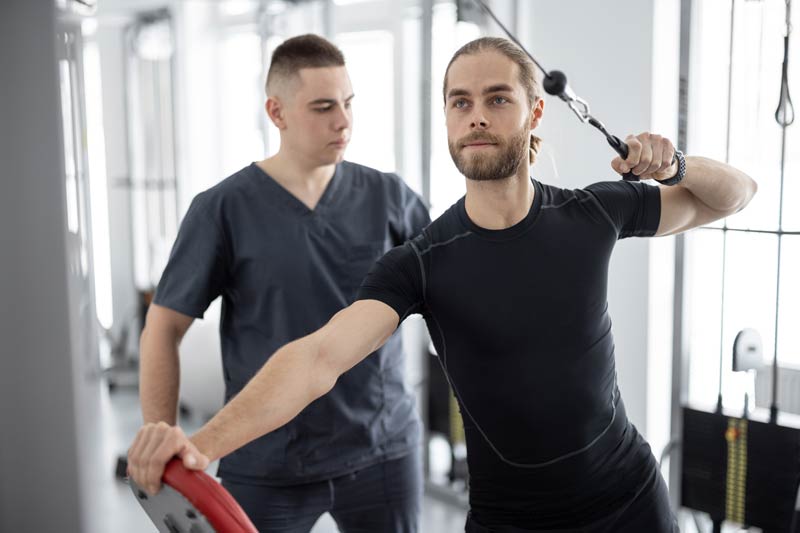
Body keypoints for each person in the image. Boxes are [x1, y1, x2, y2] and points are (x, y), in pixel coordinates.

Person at [129, 37, 757, 532]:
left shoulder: (593, 213)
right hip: (508, 520)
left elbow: (733, 196)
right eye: (460, 102)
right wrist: (200, 443)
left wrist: (676, 164)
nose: (476, 116)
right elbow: (319, 358)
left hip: (628, 501)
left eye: (497, 99)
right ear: (448, 119)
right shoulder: (420, 262)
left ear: (535, 110)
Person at [136, 34, 429, 533]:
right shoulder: (223, 209)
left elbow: (456, 283)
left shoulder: (389, 196)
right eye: (322, 107)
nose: (343, 121)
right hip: (267, 461)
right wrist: (160, 436)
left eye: (348, 103)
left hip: (382, 451)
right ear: (277, 112)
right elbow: (163, 327)